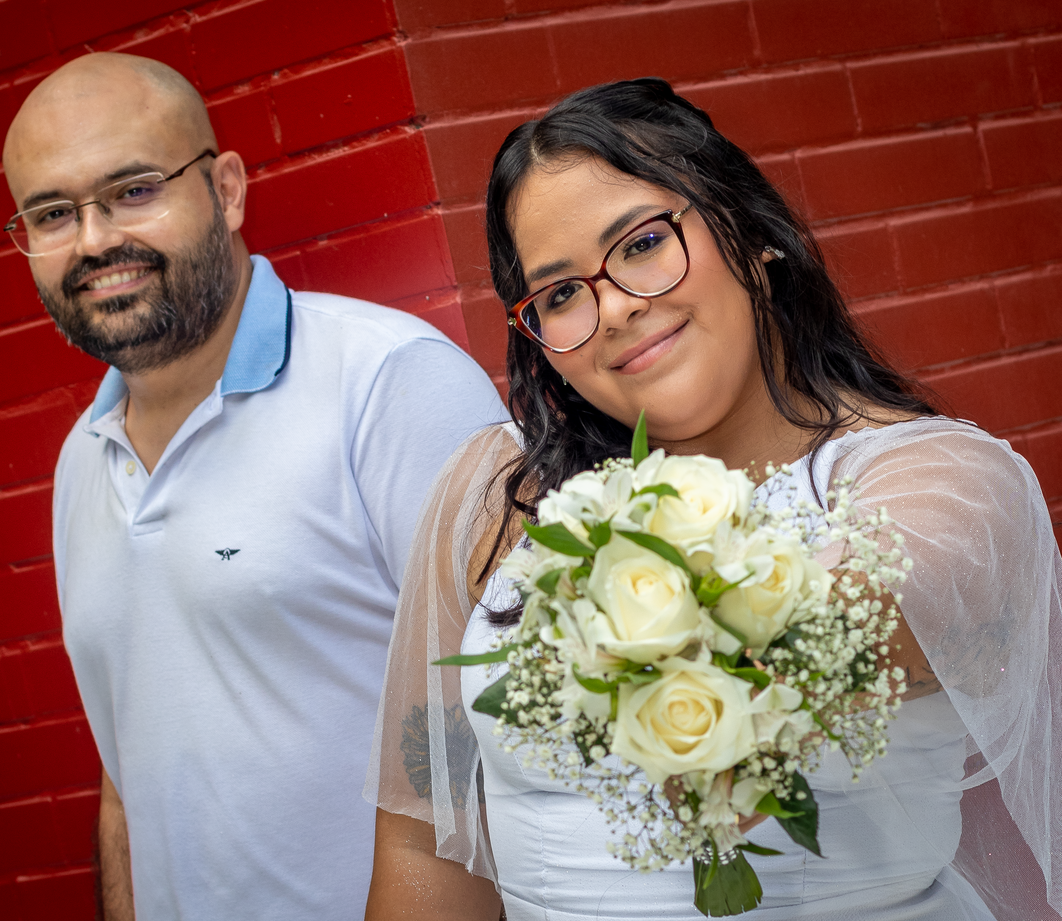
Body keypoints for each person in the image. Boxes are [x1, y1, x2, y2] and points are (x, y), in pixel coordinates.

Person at [364, 78, 1062, 920]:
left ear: (752, 230)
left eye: (644, 242)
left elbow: (862, 606)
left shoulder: (938, 478)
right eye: (560, 295)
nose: (615, 306)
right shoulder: (499, 495)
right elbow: (422, 841)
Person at [1, 52, 505, 920]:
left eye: (132, 190)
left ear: (226, 191)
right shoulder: (82, 460)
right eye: (53, 213)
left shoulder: (388, 384)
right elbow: (129, 779)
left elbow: (500, 732)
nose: (92, 241)